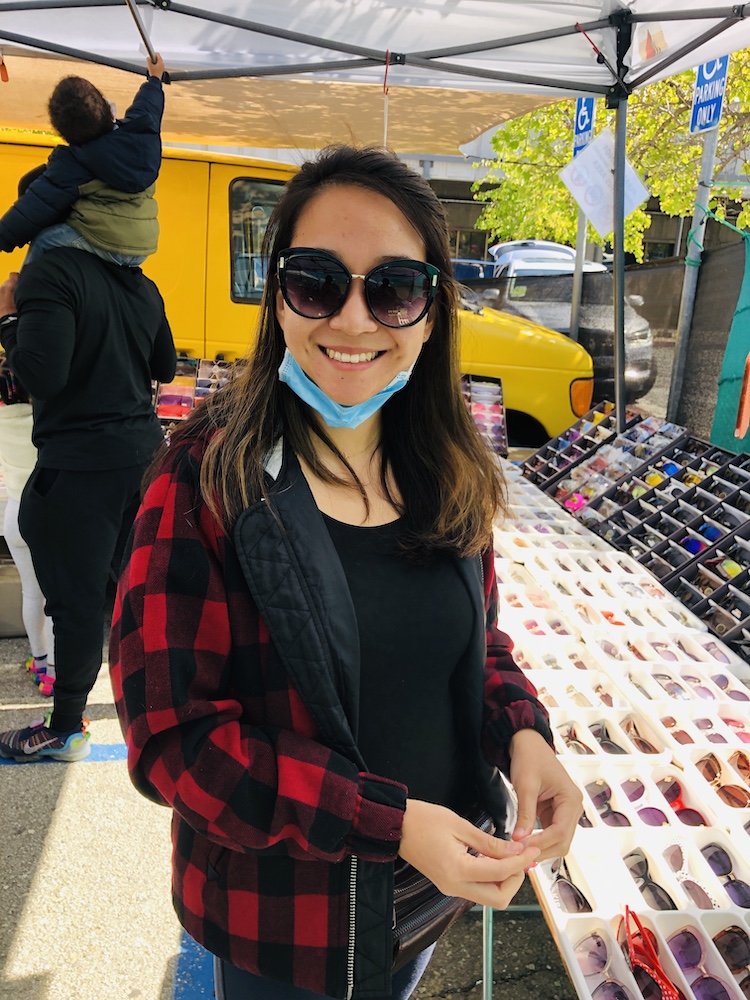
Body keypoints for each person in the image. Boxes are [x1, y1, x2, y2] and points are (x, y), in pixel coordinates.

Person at [109, 146, 581, 1000]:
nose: (355, 319)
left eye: (394, 287)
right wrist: (389, 824)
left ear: (433, 313)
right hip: (284, 926)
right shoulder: (205, 480)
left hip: (427, 899)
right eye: (317, 281)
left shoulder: (448, 467)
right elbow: (172, 742)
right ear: (278, 300)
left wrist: (525, 734)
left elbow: (473, 645)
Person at [0, 232, 177, 762]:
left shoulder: (48, 275)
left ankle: (67, 727)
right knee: (140, 590)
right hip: (144, 458)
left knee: (75, 607)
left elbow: (41, 375)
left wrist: (9, 319)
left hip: (80, 467)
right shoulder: (140, 282)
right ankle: (168, 708)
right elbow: (164, 367)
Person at [0, 52, 166, 268]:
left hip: (109, 243)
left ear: (65, 136)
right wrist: (155, 79)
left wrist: (3, 236)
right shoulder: (140, 130)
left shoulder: (74, 163)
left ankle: (18, 297)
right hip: (144, 241)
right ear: (109, 111)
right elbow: (149, 104)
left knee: (45, 241)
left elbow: (34, 206)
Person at [0, 354, 54, 688]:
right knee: (58, 603)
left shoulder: (3, 418)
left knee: (32, 595)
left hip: (14, 515)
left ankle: (40, 661)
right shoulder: (47, 420)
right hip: (46, 516)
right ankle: (54, 677)